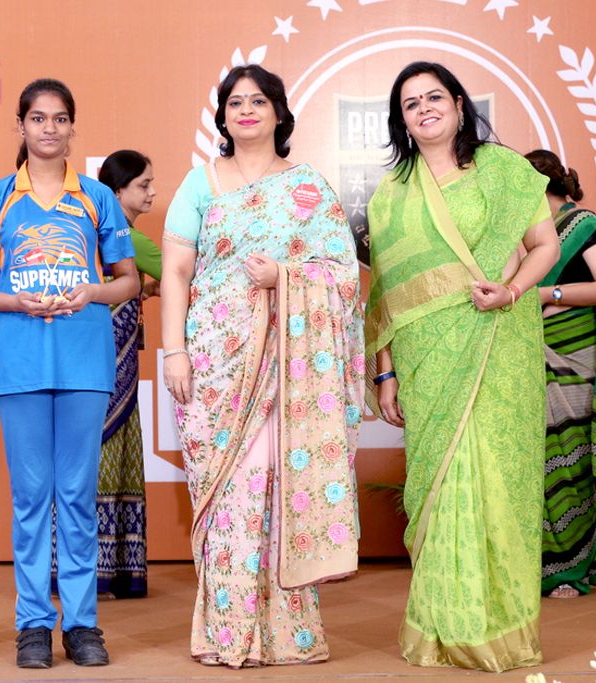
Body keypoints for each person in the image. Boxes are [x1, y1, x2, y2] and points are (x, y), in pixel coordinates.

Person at [160, 64, 364, 668]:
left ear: (279, 112)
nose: (246, 110)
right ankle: (227, 630)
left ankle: (287, 634)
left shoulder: (308, 188)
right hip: (214, 360)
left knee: (279, 485)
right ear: (223, 118)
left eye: (257, 101)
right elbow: (175, 273)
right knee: (227, 492)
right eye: (235, 102)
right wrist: (175, 352)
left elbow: (344, 277)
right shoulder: (199, 183)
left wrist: (285, 276)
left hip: (289, 364)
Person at [366, 61, 560, 672]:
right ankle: (442, 628)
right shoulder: (391, 195)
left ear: (457, 104)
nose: (424, 109)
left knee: (498, 479)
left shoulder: (503, 170)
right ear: (401, 121)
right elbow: (386, 295)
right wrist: (385, 371)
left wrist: (511, 291)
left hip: (501, 345)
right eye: (410, 104)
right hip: (427, 358)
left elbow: (545, 245)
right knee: (444, 480)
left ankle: (498, 629)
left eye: (433, 97)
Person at [0, 78, 138, 669]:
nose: (49, 128)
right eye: (38, 118)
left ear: (71, 126)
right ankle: (33, 624)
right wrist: (17, 302)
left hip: (85, 361)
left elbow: (129, 280)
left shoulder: (97, 198)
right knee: (32, 497)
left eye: (60, 118)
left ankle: (82, 625)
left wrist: (92, 292)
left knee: (77, 496)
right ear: (21, 126)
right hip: (21, 364)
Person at [524, 149, 596, 599]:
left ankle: (573, 569)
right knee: (543, 460)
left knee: (574, 459)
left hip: (577, 357)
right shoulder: (529, 232)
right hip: (535, 354)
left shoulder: (582, 224)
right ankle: (543, 567)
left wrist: (549, 294)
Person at [91, 150, 161, 598]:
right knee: (108, 460)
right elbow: (188, 272)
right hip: (109, 369)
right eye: (143, 185)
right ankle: (111, 570)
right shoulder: (130, 238)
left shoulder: (94, 233)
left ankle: (87, 571)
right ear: (117, 192)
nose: (151, 192)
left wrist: (143, 290)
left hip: (96, 365)